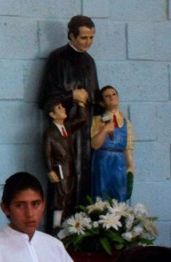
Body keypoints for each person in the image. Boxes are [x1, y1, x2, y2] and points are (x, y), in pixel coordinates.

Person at [38, 15, 101, 206]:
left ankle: (83, 229)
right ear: (71, 35)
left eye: (91, 38)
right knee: (63, 189)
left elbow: (95, 98)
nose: (88, 42)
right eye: (83, 38)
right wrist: (70, 96)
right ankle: (61, 232)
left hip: (85, 133)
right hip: (64, 133)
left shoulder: (90, 62)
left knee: (84, 183)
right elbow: (44, 99)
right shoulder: (57, 58)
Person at [0, 172, 72, 262]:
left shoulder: (54, 246)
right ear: (5, 208)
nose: (30, 214)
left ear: (43, 204)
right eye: (20, 205)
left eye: (35, 204)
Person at [43, 96, 86, 233]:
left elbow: (82, 120)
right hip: (60, 170)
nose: (63, 109)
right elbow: (47, 153)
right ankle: (56, 227)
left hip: (70, 170)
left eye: (63, 107)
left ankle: (66, 226)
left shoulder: (67, 127)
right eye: (59, 108)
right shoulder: (50, 133)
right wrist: (50, 170)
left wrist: (81, 105)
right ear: (52, 114)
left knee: (69, 199)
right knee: (60, 199)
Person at [91, 85, 134, 201]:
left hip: (119, 162)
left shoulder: (126, 123)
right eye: (107, 96)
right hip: (102, 161)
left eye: (114, 94)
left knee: (120, 194)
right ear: (101, 102)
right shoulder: (97, 120)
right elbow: (94, 145)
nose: (111, 97)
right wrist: (104, 130)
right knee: (101, 195)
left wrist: (130, 168)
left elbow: (128, 148)